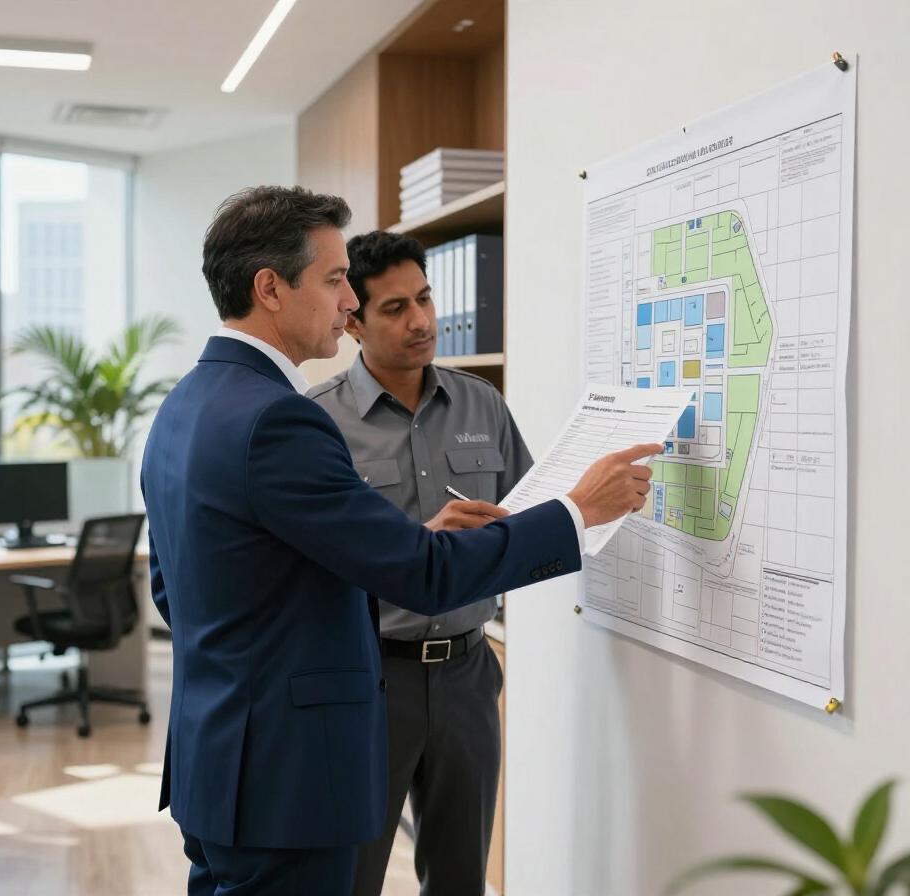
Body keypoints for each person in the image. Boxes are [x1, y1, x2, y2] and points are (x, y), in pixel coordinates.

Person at [140, 185, 660, 896]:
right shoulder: (280, 420)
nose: (347, 303)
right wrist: (576, 510)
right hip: (283, 775)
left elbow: (175, 590)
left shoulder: (186, 405)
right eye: (332, 281)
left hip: (224, 758)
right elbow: (424, 574)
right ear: (269, 288)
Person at [309, 230, 530, 896]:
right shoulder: (314, 422)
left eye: (426, 299)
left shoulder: (482, 404)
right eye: (396, 308)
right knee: (351, 874)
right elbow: (310, 568)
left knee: (463, 877)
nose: (423, 321)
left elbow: (525, 518)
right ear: (352, 321)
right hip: (371, 680)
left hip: (468, 675)